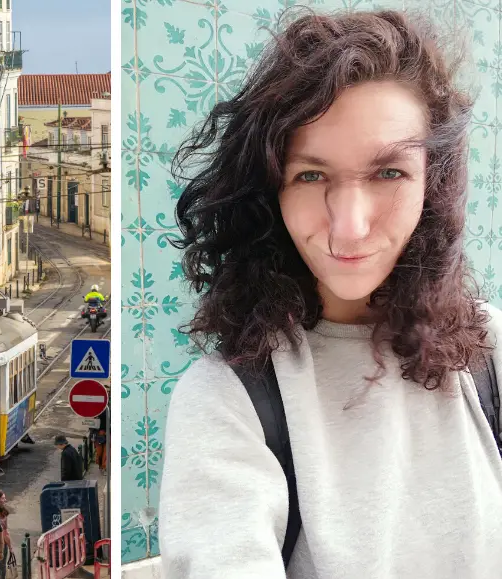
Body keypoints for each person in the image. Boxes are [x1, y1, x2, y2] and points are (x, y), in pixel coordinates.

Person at [159, 10, 502, 579]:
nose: (350, 226)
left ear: (432, 183)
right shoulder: (230, 400)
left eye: (389, 172)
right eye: (311, 176)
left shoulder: (491, 353)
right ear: (270, 193)